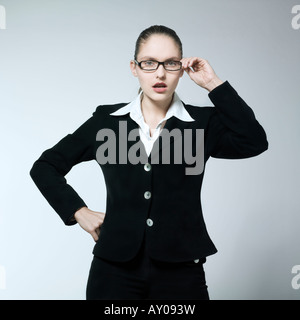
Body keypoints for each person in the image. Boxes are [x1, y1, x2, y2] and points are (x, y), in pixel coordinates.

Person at [30, 25, 268, 300]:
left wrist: (213, 84)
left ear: (181, 68)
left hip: (181, 270)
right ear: (134, 67)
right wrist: (77, 211)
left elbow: (254, 141)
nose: (160, 73)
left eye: (170, 63)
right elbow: (45, 166)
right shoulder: (106, 122)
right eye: (149, 63)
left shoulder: (202, 124)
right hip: (114, 270)